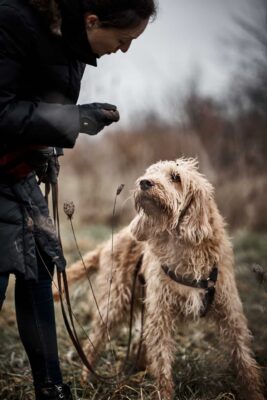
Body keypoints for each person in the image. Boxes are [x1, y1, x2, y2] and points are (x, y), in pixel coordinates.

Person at [0, 0, 157, 399]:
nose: (124, 50)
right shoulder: (12, 20)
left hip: (13, 170)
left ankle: (51, 388)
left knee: (38, 269)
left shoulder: (73, 41)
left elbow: (33, 100)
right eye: (123, 39)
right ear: (92, 20)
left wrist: (48, 145)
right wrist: (73, 120)